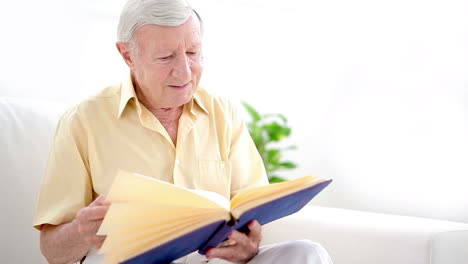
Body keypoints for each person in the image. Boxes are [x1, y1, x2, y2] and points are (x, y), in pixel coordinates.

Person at [33, 0, 333, 263]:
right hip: (130, 261)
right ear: (127, 55)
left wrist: (249, 245)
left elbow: (250, 215)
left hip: (209, 261)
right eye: (166, 58)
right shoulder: (83, 120)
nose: (186, 71)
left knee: (307, 253)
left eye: (192, 52)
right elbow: (52, 250)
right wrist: (81, 231)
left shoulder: (223, 113)